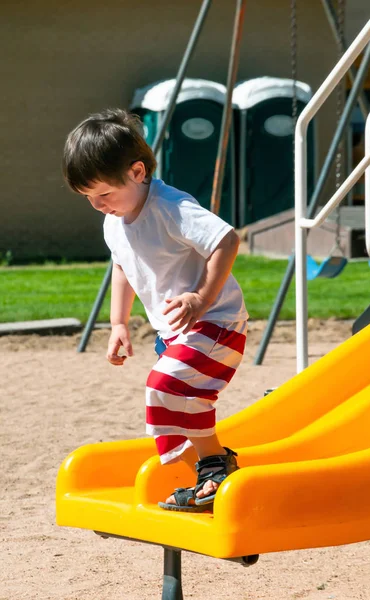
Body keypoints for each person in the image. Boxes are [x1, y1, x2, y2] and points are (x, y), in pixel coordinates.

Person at [62, 108, 248, 512]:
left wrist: (200, 297)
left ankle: (208, 468)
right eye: (88, 198)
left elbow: (226, 240)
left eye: (103, 194)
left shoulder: (171, 207)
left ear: (138, 172)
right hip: (174, 333)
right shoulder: (115, 221)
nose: (97, 205)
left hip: (217, 325)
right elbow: (123, 265)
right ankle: (215, 468)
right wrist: (118, 323)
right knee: (189, 404)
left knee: (162, 387)